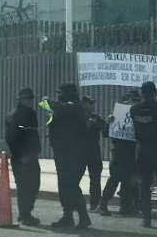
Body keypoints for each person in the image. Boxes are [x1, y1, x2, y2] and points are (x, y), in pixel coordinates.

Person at [48, 83, 91, 229]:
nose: (58, 96)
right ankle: (68, 217)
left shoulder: (75, 106)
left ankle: (84, 218)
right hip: (63, 153)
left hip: (75, 155)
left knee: (71, 185)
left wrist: (47, 101)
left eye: (60, 93)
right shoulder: (64, 108)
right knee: (64, 186)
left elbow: (59, 108)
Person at [130, 82, 157, 228]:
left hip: (142, 150)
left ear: (142, 93)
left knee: (145, 186)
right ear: (154, 93)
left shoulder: (134, 109)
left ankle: (147, 219)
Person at [99, 90, 140, 216]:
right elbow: (106, 133)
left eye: (135, 100)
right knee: (114, 179)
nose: (133, 103)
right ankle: (103, 204)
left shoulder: (138, 116)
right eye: (131, 100)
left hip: (132, 154)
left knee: (128, 181)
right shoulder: (118, 116)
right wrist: (109, 122)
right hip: (118, 153)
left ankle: (126, 207)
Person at [4, 87, 41, 226]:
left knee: (31, 185)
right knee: (26, 186)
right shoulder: (18, 114)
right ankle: (25, 214)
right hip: (23, 157)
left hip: (29, 155)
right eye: (29, 99)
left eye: (32, 99)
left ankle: (25, 213)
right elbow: (11, 138)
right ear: (22, 100)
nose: (31, 101)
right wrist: (21, 155)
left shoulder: (28, 113)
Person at [81, 96, 106, 211]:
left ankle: (94, 204)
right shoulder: (77, 118)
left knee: (95, 179)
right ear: (84, 104)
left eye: (92, 103)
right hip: (80, 152)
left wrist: (109, 122)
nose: (92, 106)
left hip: (93, 152)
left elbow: (106, 130)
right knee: (74, 179)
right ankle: (75, 203)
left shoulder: (96, 118)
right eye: (90, 103)